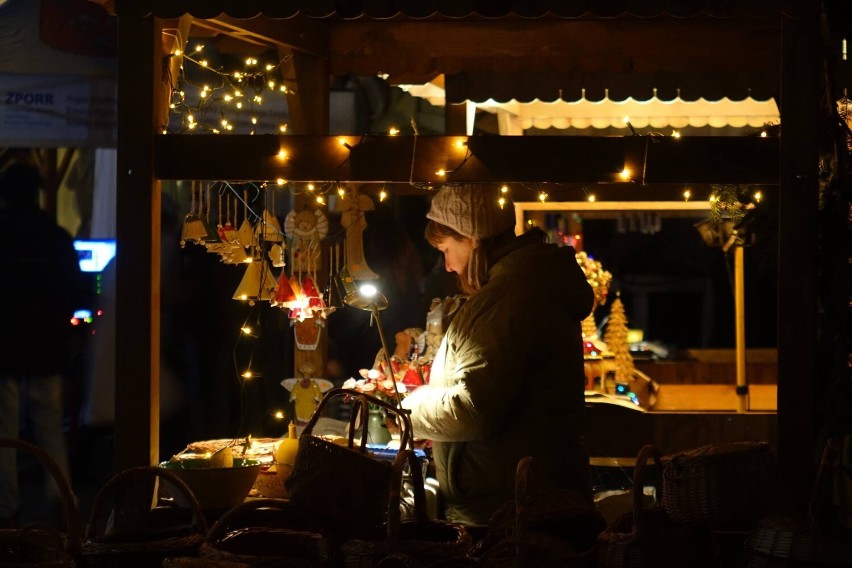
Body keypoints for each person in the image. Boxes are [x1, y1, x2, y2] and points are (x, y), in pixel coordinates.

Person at [401, 184, 596, 526]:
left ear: (472, 239)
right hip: (516, 501)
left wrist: (408, 409)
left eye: (447, 249)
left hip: (508, 514)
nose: (447, 265)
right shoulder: (517, 287)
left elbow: (474, 408)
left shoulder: (509, 298)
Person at [0, 162, 89, 527]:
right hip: (46, 347)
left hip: (3, 347)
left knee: (3, 430)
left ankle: (6, 506)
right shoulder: (55, 237)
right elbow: (76, 291)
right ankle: (61, 499)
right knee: (50, 425)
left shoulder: (2, 235)